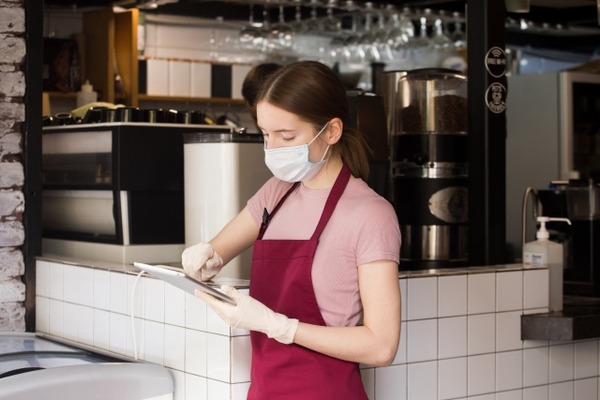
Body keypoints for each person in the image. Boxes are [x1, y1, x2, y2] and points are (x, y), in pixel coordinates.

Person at [182, 60, 401, 399]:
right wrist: (207, 257)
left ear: (331, 131)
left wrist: (280, 326)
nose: (273, 148)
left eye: (287, 136)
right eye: (266, 135)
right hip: (265, 391)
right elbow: (219, 250)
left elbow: (381, 346)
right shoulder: (277, 192)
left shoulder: (371, 215)